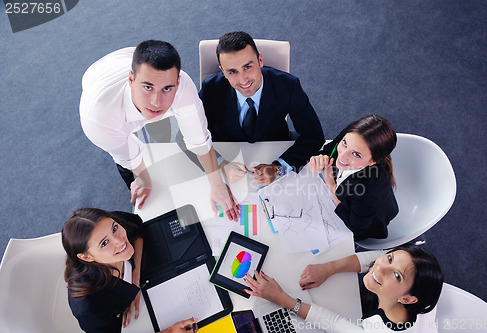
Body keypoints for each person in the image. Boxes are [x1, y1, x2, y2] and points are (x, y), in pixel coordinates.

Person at [80, 40, 239, 220]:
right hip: (98, 77)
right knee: (132, 168)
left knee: (170, 129)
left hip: (127, 57)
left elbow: (199, 140)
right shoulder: (99, 120)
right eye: (148, 87)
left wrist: (217, 184)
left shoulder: (183, 86)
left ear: (177, 83)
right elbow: (130, 157)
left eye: (167, 89)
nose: (157, 102)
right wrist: (144, 179)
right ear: (131, 79)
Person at [199, 31, 325, 185]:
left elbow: (314, 136)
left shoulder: (288, 85)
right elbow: (190, 135)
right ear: (223, 71)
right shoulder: (211, 88)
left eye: (247, 67)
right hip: (228, 156)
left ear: (260, 60)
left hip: (274, 150)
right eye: (232, 71)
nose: (243, 79)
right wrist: (219, 165)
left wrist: (279, 168)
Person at [245, 244, 444, 332]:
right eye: (390, 259)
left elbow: (335, 324)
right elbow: (374, 258)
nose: (381, 266)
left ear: (408, 299)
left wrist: (282, 299)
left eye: (397, 275)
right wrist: (328, 268)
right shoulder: (417, 293)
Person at [62, 208, 197, 333]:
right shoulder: (88, 307)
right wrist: (170, 331)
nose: (120, 241)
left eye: (114, 228)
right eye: (104, 243)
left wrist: (135, 276)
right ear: (87, 257)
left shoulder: (107, 224)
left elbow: (136, 225)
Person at [308, 115, 398, 240]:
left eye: (356, 154)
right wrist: (319, 159)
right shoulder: (353, 136)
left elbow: (356, 229)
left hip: (363, 223)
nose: (342, 157)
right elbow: (330, 150)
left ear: (372, 162)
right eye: (344, 143)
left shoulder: (369, 189)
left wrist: (331, 184)